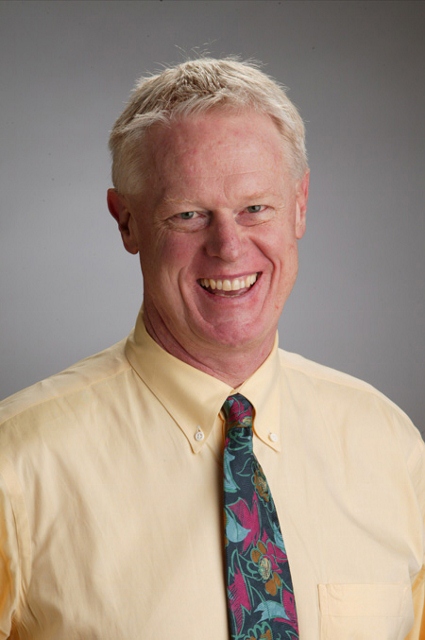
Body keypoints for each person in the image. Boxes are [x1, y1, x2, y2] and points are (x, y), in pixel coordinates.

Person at [0, 58, 423, 640]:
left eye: (255, 208)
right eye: (188, 214)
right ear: (127, 222)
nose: (228, 246)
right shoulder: (17, 465)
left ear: (300, 204)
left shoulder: (390, 448)